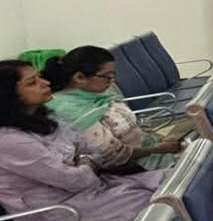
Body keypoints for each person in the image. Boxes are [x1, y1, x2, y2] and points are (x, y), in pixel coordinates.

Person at [0, 60, 163, 221]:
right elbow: (76, 180)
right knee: (159, 203)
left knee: (167, 179)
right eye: (32, 82)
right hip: (59, 217)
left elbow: (92, 149)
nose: (45, 83)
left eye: (39, 77)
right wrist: (85, 163)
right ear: (6, 96)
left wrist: (81, 162)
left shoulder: (41, 119)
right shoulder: (5, 141)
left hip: (89, 192)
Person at [41, 45, 186, 171]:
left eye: (112, 75)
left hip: (151, 152)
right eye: (107, 76)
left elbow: (129, 128)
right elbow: (112, 156)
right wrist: (159, 149)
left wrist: (159, 141)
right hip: (133, 167)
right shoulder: (68, 109)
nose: (111, 81)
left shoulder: (100, 93)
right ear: (79, 78)